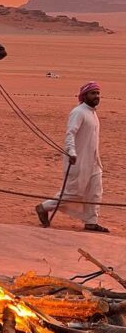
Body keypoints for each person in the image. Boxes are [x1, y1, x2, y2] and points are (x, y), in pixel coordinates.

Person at [35, 81, 108, 233]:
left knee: (95, 192)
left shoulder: (92, 113)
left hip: (94, 161)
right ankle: (44, 207)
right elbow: (70, 134)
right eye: (93, 93)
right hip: (78, 161)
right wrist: (72, 152)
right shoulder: (78, 112)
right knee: (73, 192)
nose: (96, 96)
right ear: (84, 95)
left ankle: (91, 222)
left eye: (98, 93)